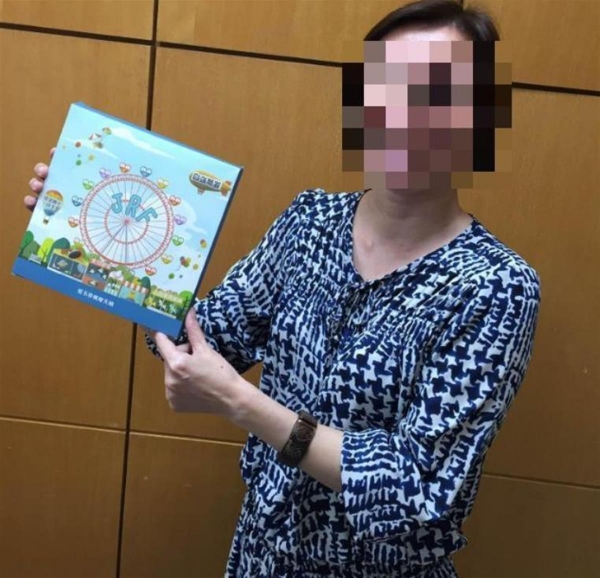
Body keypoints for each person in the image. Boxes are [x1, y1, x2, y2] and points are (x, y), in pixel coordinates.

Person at [25, 1, 541, 576]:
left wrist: (243, 404)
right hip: (260, 557)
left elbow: (416, 494)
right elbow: (205, 339)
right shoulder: (309, 222)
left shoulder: (495, 286)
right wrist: (91, 223)